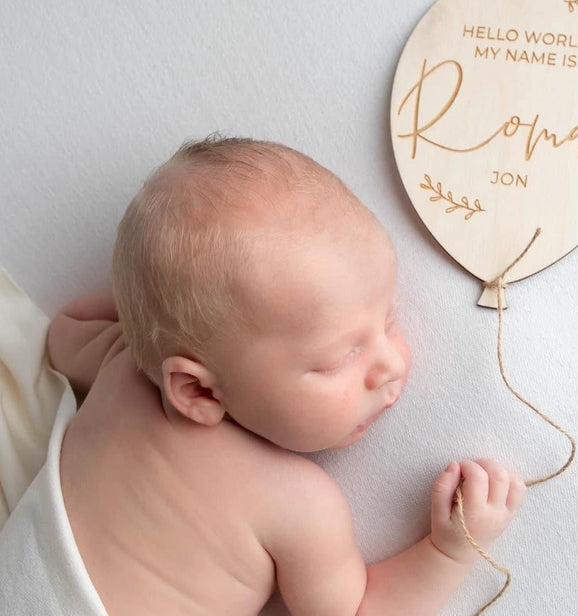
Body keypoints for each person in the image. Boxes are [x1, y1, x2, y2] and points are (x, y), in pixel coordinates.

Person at [0, 135, 525, 615]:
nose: (389, 364)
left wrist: (156, 317)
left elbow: (63, 334)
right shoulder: (296, 505)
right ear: (199, 390)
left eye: (387, 318)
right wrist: (448, 551)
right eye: (337, 359)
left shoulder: (120, 365)